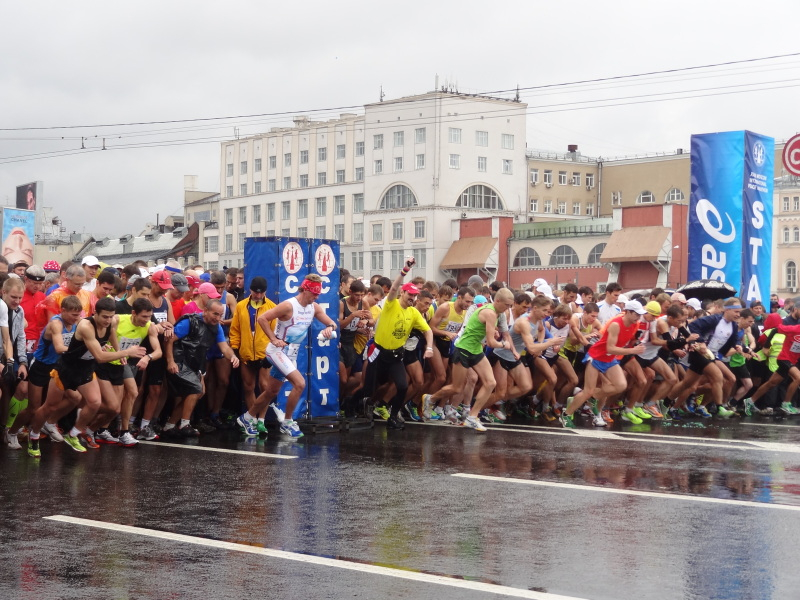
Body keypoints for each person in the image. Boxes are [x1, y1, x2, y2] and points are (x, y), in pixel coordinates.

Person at [27, 297, 146, 455]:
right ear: (95, 313)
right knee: (50, 406)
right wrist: (126, 352)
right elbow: (100, 357)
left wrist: (119, 353)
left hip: (86, 369)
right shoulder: (85, 326)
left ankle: (74, 434)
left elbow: (110, 335)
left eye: (111, 317)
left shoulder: (112, 322)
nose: (107, 320)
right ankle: (33, 435)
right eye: (104, 317)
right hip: (66, 369)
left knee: (95, 402)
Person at [238, 274, 338, 438]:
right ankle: (287, 421)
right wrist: (273, 339)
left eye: (318, 293)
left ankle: (247, 418)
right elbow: (263, 319)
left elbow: (331, 322)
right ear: (305, 290)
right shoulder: (288, 305)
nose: (317, 296)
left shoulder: (313, 307)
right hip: (277, 352)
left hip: (291, 354)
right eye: (314, 293)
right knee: (299, 383)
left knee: (271, 391)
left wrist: (330, 328)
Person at [424, 288, 515, 432]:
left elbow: (488, 334)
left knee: (490, 383)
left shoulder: (497, 313)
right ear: (497, 301)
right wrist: (504, 344)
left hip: (476, 350)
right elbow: (491, 343)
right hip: (463, 349)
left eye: (511, 306)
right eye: (507, 305)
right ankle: (430, 399)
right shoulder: (490, 313)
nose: (508, 308)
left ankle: (472, 417)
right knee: (457, 387)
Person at [560, 300, 647, 428]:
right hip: (596, 357)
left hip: (609, 359)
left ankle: (587, 398)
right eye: (636, 314)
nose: (638, 317)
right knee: (588, 391)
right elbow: (610, 348)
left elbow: (625, 342)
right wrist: (632, 350)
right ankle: (566, 415)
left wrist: (635, 343)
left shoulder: (635, 324)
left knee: (621, 385)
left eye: (640, 314)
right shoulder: (616, 324)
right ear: (627, 312)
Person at [90, 298, 161, 447]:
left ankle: (124, 431)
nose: (147, 320)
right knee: (113, 404)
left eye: (149, 316)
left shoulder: (149, 326)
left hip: (122, 363)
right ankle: (96, 427)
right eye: (144, 317)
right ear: (134, 313)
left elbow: (158, 351)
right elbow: (103, 333)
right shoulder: (116, 319)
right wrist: (112, 349)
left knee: (133, 392)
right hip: (106, 361)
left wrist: (147, 358)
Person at [163, 299, 239, 437]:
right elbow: (169, 340)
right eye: (215, 314)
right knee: (195, 388)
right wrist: (170, 361)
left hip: (195, 363)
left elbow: (224, 347)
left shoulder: (217, 327)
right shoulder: (190, 322)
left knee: (198, 392)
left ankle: (169, 426)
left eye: (220, 315)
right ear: (205, 311)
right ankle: (185, 425)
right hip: (179, 360)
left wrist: (232, 357)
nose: (217, 318)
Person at [229, 276, 275, 433]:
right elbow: (235, 329)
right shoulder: (242, 306)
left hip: (264, 353)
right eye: (256, 292)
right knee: (248, 387)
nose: (258, 296)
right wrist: (235, 349)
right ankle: (252, 420)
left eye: (261, 293)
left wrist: (272, 353)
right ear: (250, 290)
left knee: (265, 388)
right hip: (246, 353)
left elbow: (275, 332)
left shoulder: (271, 306)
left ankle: (261, 420)